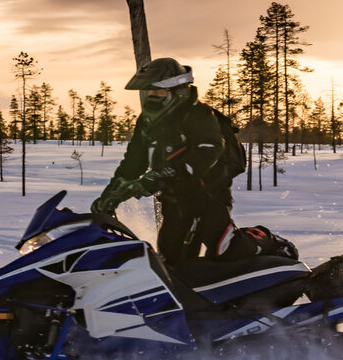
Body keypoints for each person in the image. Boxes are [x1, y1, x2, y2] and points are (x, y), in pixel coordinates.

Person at [91, 57, 297, 265]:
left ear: (177, 91)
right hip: (173, 201)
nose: (151, 98)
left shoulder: (199, 115)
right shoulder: (146, 122)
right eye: (148, 92)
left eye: (158, 92)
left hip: (208, 197)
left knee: (224, 250)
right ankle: (201, 295)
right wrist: (110, 196)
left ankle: (268, 240)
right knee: (171, 261)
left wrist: (162, 175)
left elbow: (208, 151)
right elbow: (132, 163)